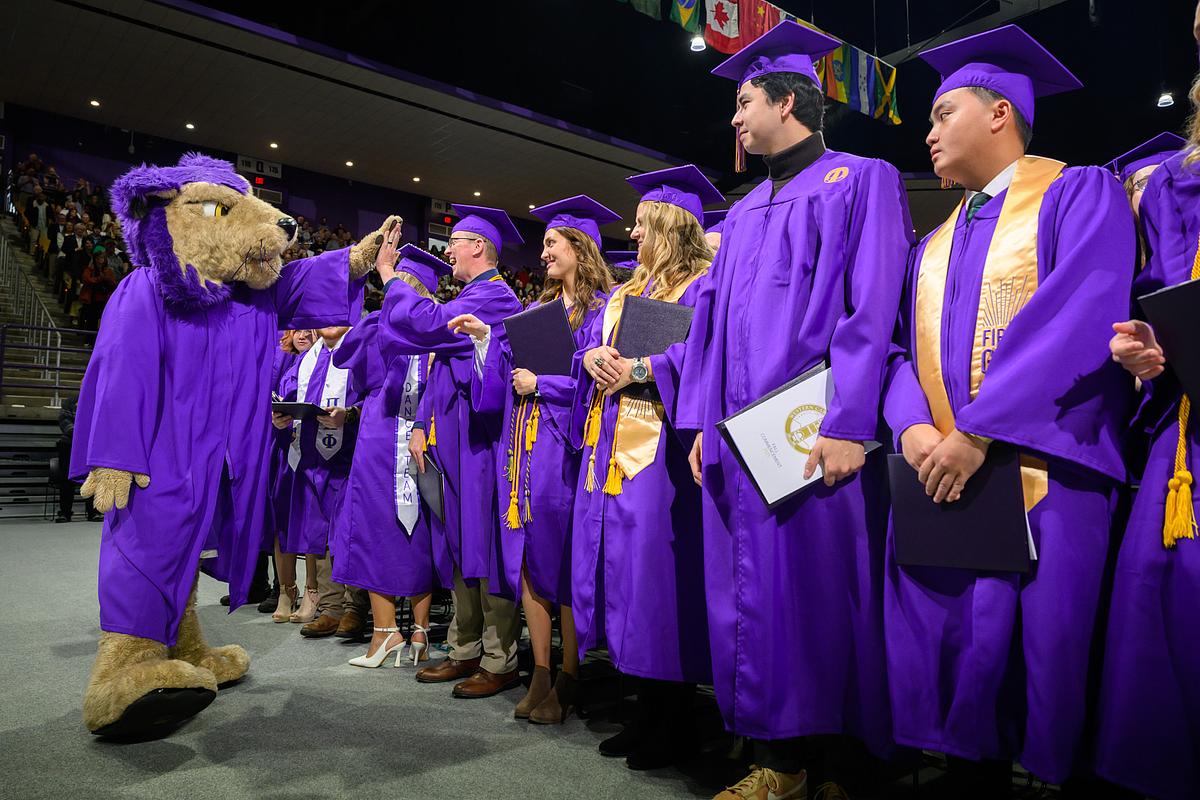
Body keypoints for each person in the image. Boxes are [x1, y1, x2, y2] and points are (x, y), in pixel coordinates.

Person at [654, 21, 916, 800]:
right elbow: (704, 330)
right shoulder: (742, 213)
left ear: (789, 101)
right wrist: (699, 422)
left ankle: (843, 764)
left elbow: (873, 313)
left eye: (743, 103)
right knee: (752, 596)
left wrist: (847, 424)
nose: (734, 119)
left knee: (821, 596)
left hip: (810, 435)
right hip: (740, 439)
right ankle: (781, 758)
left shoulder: (861, 179)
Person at [879, 26, 1135, 795]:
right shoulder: (932, 244)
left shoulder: (1076, 192)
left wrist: (979, 432)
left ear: (999, 115)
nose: (927, 132)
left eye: (941, 112)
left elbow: (1081, 314)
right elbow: (895, 354)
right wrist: (916, 427)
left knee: (1043, 657)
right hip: (943, 474)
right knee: (953, 651)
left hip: (1044, 474)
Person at [450, 195, 616, 724]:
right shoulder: (537, 313)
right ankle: (540, 671)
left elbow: (599, 384)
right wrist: (484, 343)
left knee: (560, 561)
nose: (543, 253)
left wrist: (542, 382)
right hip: (522, 450)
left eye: (551, 243)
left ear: (580, 248)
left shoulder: (602, 311)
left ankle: (569, 676)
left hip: (568, 452)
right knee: (524, 556)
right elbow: (501, 379)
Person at [573, 166, 718, 770]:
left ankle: (674, 719)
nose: (632, 234)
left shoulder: (702, 285)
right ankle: (642, 710)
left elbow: (703, 354)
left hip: (660, 454)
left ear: (668, 228)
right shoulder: (624, 294)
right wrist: (595, 357)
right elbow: (585, 345)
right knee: (624, 578)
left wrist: (645, 368)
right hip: (610, 450)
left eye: (641, 225)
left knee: (658, 582)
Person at [1093, 79, 1200, 800]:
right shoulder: (1174, 183)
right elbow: (1160, 294)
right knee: (1162, 599)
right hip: (1188, 436)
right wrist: (1148, 348)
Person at [378, 205, 524, 698]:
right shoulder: (472, 294)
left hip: (482, 445)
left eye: (455, 241)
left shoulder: (495, 297)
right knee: (459, 545)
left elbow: (422, 324)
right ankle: (463, 650)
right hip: (452, 442)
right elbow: (437, 370)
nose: (448, 251)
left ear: (478, 247)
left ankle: (499, 657)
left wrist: (391, 278)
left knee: (483, 545)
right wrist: (421, 425)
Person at [333, 241, 455, 669]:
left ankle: (386, 633)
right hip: (426, 440)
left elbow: (344, 357)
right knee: (419, 531)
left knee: (373, 530)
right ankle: (420, 632)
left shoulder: (383, 324)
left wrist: (377, 315)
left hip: (382, 439)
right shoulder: (437, 330)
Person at [273, 324, 369, 639]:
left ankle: (355, 606)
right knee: (324, 533)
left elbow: (376, 397)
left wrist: (350, 414)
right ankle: (331, 607)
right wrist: (281, 416)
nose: (325, 323)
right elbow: (290, 392)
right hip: (315, 457)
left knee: (349, 531)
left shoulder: (360, 347)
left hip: (352, 454)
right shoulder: (309, 357)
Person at [269, 328, 317, 622]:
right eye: (297, 329)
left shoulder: (326, 360)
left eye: (310, 329)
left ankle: (313, 590)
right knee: (282, 522)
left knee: (309, 520)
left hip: (314, 450)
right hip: (284, 450)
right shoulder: (283, 363)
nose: (303, 334)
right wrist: (276, 419)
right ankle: (286, 590)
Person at [1104, 133, 1187, 267]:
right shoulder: (1117, 266)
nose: (1160, 192)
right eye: (1146, 183)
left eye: (1170, 182)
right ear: (1128, 198)